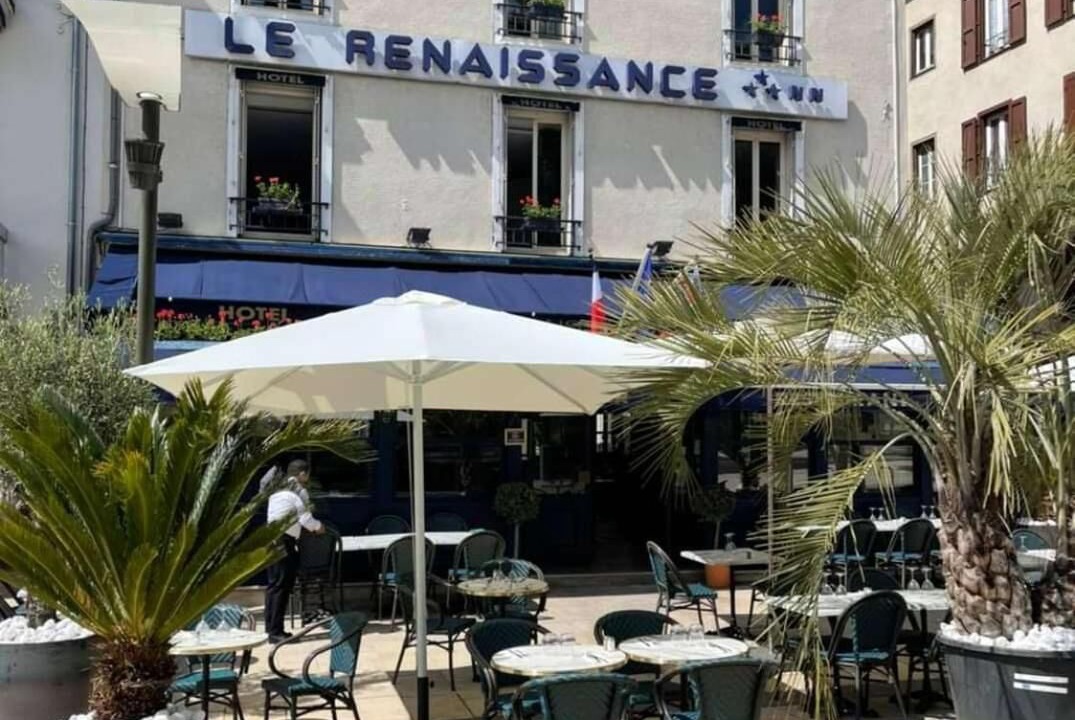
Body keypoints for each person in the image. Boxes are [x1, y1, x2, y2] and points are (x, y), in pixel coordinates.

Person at [264, 458, 323, 643]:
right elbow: (305, 519)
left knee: (274, 586)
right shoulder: (298, 491)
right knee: (282, 587)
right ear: (302, 474)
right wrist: (319, 527)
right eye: (307, 474)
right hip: (285, 542)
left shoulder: (277, 490)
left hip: (270, 540)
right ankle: (277, 633)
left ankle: (270, 627)